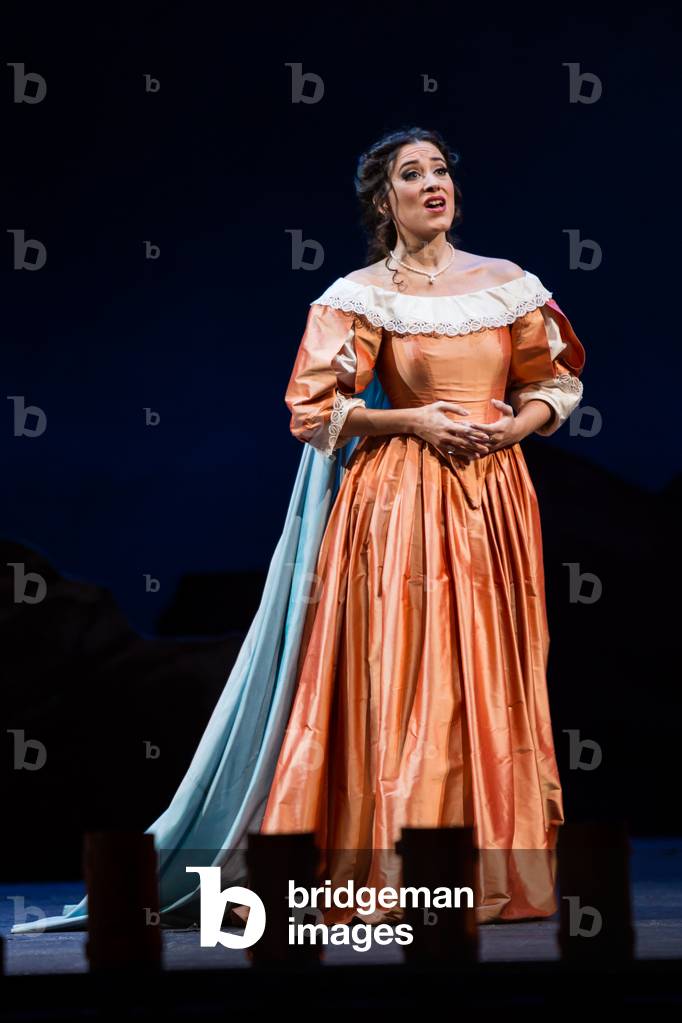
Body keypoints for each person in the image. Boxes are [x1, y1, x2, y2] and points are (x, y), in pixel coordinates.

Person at [11, 127, 585, 936]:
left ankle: (488, 864)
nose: (433, 183)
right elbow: (314, 409)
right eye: (411, 174)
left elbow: (554, 380)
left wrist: (512, 430)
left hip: (492, 500)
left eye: (441, 169)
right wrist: (413, 417)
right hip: (397, 504)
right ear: (384, 203)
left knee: (487, 670)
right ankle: (395, 863)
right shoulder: (359, 294)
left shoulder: (508, 285)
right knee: (407, 675)